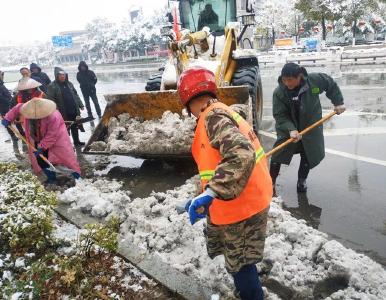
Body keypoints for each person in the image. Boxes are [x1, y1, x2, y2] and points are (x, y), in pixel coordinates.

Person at [178, 67, 272, 300]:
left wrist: (212, 192)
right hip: (248, 200)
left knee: (240, 265)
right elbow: (217, 164)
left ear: (188, 100)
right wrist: (201, 195)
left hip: (241, 207)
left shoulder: (213, 118)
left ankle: (252, 296)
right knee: (243, 261)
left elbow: (241, 153)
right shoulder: (221, 111)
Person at [270, 63, 345, 195]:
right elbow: (280, 115)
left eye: (290, 80)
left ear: (299, 77)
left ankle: (301, 181)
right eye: (284, 80)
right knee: (278, 154)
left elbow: (330, 84)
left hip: (310, 125)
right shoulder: (279, 92)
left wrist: (338, 102)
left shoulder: (314, 82)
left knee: (307, 153)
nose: (287, 83)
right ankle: (270, 182)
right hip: (288, 128)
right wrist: (291, 129)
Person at [1, 97, 81, 184]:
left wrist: (42, 147)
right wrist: (8, 118)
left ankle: (77, 176)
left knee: (66, 155)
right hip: (36, 135)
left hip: (58, 136)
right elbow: (17, 108)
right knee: (40, 159)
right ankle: (51, 178)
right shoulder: (27, 109)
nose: (35, 116)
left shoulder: (53, 116)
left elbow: (51, 135)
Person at [47, 67, 85, 146]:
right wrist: (55, 110)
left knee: (75, 125)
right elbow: (51, 100)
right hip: (62, 111)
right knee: (64, 129)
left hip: (73, 109)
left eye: (63, 75)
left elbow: (75, 95)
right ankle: (67, 145)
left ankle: (76, 141)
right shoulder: (52, 86)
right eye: (60, 75)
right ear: (56, 76)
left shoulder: (69, 83)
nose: (62, 76)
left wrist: (80, 104)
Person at [0, 70, 18, 144]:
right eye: (1, 74)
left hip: (8, 106)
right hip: (4, 107)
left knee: (14, 119)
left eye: (2, 74)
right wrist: (9, 100)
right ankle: (13, 136)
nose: (2, 76)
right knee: (7, 121)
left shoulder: (1, 84)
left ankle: (17, 134)